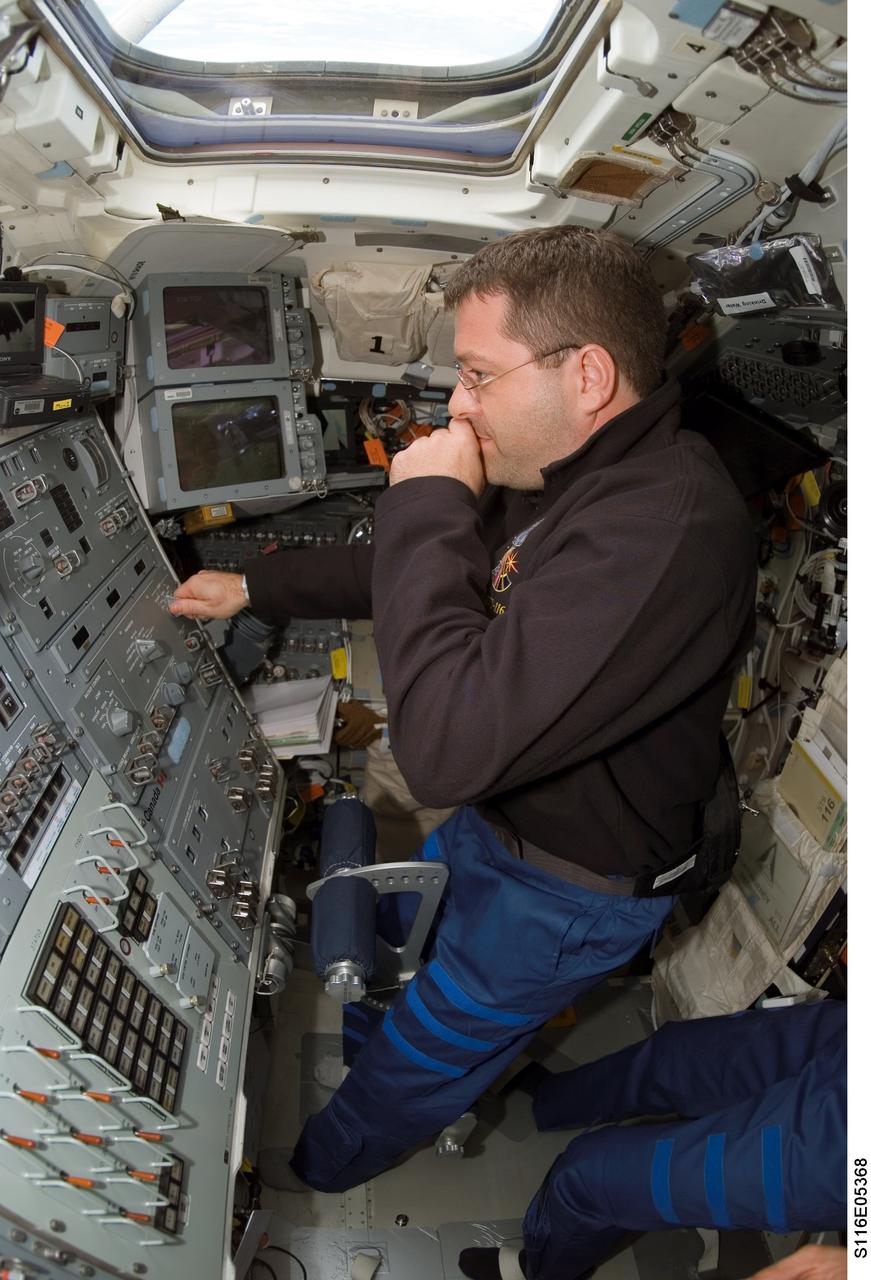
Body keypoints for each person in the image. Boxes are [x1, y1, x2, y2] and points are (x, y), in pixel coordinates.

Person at [170, 226, 757, 1194]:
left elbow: (443, 751)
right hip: (508, 824)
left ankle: (317, 1169)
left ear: (588, 374)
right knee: (397, 943)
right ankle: (365, 1046)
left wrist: (430, 499)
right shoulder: (570, 474)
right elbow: (414, 565)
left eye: (479, 374)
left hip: (572, 888)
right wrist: (254, 587)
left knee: (431, 1046)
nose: (459, 402)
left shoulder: (664, 522)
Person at [458, 1000, 845, 1280]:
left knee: (590, 1178)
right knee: (674, 1056)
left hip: (841, 1152)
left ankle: (543, 1270)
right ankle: (553, 1100)